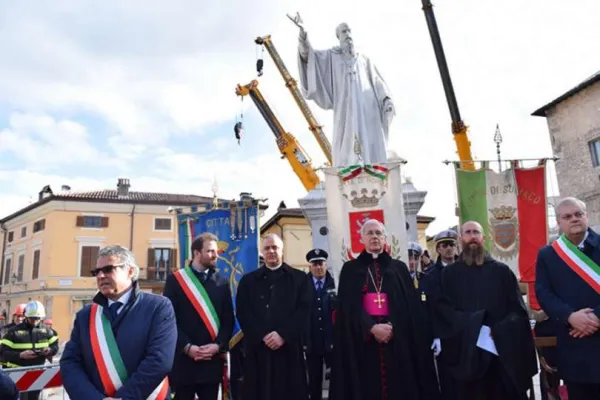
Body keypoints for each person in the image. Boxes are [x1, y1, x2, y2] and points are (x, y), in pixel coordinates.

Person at [329, 219, 440, 400]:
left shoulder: (398, 268)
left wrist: (391, 327)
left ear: (385, 238)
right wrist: (371, 327)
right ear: (362, 239)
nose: (374, 237)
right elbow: (348, 307)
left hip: (396, 343)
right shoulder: (350, 269)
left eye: (378, 233)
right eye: (370, 233)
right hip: (363, 344)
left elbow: (409, 307)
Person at [433, 221, 537, 400]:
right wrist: (475, 326)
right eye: (468, 233)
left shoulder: (502, 272)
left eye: (476, 232)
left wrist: (498, 330)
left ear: (484, 238)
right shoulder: (448, 275)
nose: (472, 236)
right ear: (461, 239)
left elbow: (518, 312)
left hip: (499, 351)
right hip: (465, 354)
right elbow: (443, 311)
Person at [60, 245, 176, 400]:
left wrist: (125, 398)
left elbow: (159, 360)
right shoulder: (85, 316)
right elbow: (70, 363)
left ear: (130, 271)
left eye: (108, 269)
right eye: (96, 272)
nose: (100, 276)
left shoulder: (158, 307)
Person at [290, 13, 395, 167]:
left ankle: (373, 170)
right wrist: (303, 34)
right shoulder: (332, 57)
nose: (348, 35)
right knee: (347, 144)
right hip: (345, 109)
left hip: (368, 108)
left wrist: (386, 98)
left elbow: (377, 81)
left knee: (372, 143)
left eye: (349, 31)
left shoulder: (364, 59)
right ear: (338, 37)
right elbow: (308, 57)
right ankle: (351, 169)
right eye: (343, 32)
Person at [535, 197, 600, 399]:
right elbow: (544, 293)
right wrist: (570, 316)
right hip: (573, 340)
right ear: (559, 222)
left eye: (578, 214)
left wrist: (597, 317)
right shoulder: (547, 254)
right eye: (567, 216)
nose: (574, 219)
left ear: (586, 216)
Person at [235, 234, 311, 400]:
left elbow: (304, 310)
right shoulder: (248, 281)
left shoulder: (300, 278)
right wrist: (263, 335)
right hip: (259, 350)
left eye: (275, 247)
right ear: (262, 251)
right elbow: (243, 312)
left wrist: (283, 335)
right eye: (267, 248)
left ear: (282, 250)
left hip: (289, 349)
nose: (271, 251)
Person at [163, 232, 235, 400]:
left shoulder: (222, 282)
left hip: (211, 360)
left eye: (216, 251)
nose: (215, 255)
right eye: (210, 251)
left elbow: (228, 321)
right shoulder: (175, 280)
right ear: (196, 253)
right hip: (184, 360)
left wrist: (218, 346)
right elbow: (168, 320)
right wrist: (187, 347)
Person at [420, 229, 459, 400]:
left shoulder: (466, 270)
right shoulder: (430, 276)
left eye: (452, 244)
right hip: (444, 334)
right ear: (438, 249)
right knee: (447, 381)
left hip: (466, 330)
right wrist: (436, 336)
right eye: (445, 245)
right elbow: (430, 308)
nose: (449, 248)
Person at [0, 300, 59, 400]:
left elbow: (55, 346)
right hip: (15, 375)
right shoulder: (13, 332)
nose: (35, 321)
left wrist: (49, 350)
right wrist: (20, 355)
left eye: (37, 318)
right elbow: (3, 353)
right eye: (32, 318)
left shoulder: (48, 331)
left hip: (37, 374)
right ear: (26, 316)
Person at [304, 249, 336, 400]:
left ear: (326, 264)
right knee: (314, 380)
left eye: (321, 263)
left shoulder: (335, 283)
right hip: (312, 341)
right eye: (315, 264)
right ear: (310, 266)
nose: (318, 267)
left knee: (335, 379)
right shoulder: (302, 285)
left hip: (332, 340)